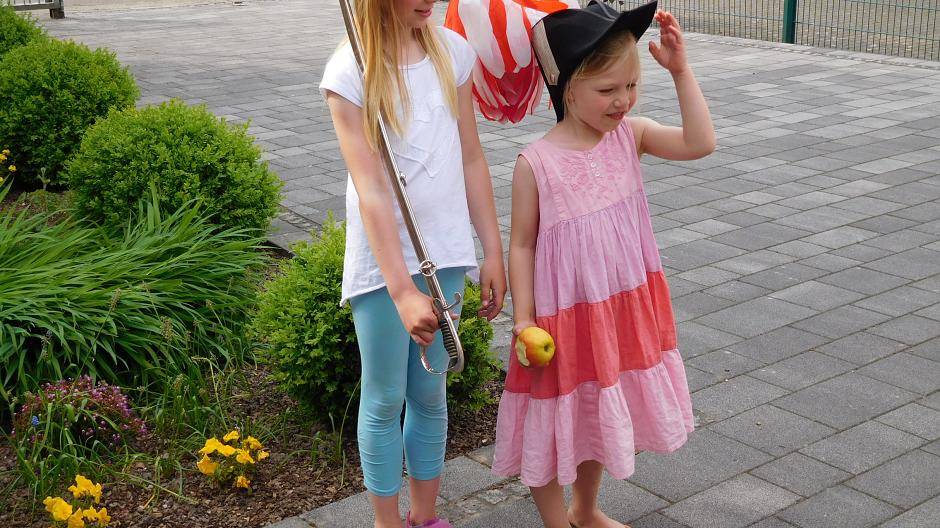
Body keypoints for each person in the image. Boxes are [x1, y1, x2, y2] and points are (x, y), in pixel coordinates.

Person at [491, 2, 715, 527]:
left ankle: (585, 510)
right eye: (608, 89)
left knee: (594, 411)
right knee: (548, 421)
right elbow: (521, 246)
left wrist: (681, 72)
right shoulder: (535, 163)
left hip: (616, 309)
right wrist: (523, 319)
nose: (622, 100)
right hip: (559, 319)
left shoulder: (631, 136)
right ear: (568, 88)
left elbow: (700, 142)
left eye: (630, 86)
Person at [319, 0, 507, 526]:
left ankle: (425, 517)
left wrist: (492, 249)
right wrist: (401, 290)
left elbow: (471, 155)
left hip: (444, 252)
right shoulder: (350, 72)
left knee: (429, 393)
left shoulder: (453, 53)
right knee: (384, 398)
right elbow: (371, 190)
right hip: (384, 267)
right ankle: (387, 522)